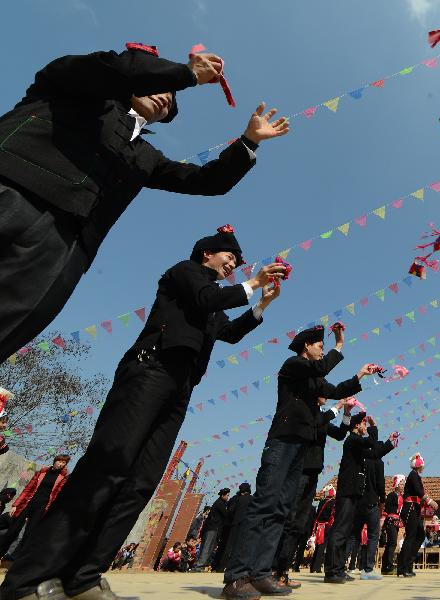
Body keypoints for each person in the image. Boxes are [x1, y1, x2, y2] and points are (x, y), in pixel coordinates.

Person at [0, 226, 283, 600]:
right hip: (150, 371)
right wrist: (249, 285)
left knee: (141, 482)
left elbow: (227, 332)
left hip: (180, 386)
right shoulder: (185, 273)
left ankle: (83, 575)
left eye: (236, 261)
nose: (233, 263)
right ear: (206, 254)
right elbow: (205, 299)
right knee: (108, 467)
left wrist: (262, 303)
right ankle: (29, 578)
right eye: (227, 256)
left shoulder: (213, 299)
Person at [0, 43, 290, 364]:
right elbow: (118, 71)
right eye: (162, 86)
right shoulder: (76, 90)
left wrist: (249, 141)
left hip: (63, 248)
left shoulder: (146, 157)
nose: (166, 96)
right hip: (10, 186)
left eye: (172, 97)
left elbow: (208, 181)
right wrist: (186, 74)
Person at [223, 323, 379, 598]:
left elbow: (335, 389)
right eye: (320, 346)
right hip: (282, 441)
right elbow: (320, 371)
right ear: (306, 346)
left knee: (282, 508)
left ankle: (261, 574)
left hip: (300, 448)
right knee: (265, 503)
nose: (322, 350)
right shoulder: (293, 364)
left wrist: (360, 375)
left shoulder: (313, 378)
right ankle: (237, 576)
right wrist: (339, 345)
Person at [272, 398, 351, 586]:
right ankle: (270, 568)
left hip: (313, 471)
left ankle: (281, 571)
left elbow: (339, 434)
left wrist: (347, 413)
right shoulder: (307, 411)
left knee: (298, 524)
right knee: (287, 519)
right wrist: (338, 406)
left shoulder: (322, 416)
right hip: (298, 470)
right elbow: (317, 422)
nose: (326, 393)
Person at [324, 413, 397, 583]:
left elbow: (373, 453)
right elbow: (370, 443)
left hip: (353, 493)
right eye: (363, 424)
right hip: (347, 492)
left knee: (345, 531)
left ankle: (339, 569)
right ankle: (332, 570)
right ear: (357, 426)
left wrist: (389, 443)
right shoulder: (352, 440)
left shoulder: (357, 443)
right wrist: (374, 427)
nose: (365, 426)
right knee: (340, 530)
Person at [0, 456, 70, 560]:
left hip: (41, 508)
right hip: (27, 504)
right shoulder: (41, 472)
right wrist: (15, 505)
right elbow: (27, 489)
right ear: (55, 461)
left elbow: (57, 496)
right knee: (12, 531)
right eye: (60, 461)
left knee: (28, 535)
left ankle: (14, 559)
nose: (61, 464)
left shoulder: (63, 478)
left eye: (64, 462)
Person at [353, 416, 394, 581]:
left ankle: (348, 566)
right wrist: (382, 500)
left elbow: (377, 446)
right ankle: (368, 569)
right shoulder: (376, 461)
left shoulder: (356, 452)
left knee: (353, 535)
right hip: (370, 501)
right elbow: (380, 483)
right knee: (372, 535)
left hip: (356, 501)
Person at [396, 454, 438, 577]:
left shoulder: (416, 476)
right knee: (410, 537)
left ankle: (408, 563)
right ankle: (402, 567)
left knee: (420, 536)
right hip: (410, 508)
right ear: (419, 465)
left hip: (416, 508)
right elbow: (420, 493)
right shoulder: (413, 475)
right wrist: (430, 502)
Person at [218, 483, 252, 572]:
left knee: (230, 546)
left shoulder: (237, 499)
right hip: (246, 525)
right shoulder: (252, 499)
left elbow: (230, 511)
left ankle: (222, 567)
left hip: (235, 524)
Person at [195, 488, 231, 571]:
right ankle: (199, 566)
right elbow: (226, 514)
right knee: (207, 547)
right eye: (227, 495)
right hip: (212, 528)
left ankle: (201, 565)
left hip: (213, 529)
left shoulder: (221, 503)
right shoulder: (219, 504)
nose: (228, 497)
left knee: (209, 547)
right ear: (223, 495)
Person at [381, 475, 405, 575]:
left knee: (391, 543)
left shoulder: (401, 496)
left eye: (403, 484)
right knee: (392, 543)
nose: (403, 485)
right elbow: (388, 511)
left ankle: (385, 567)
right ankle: (389, 566)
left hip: (396, 522)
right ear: (396, 484)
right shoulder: (391, 495)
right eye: (401, 483)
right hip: (391, 521)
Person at [310, 486, 337, 574]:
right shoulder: (333, 503)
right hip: (326, 526)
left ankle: (312, 566)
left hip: (319, 526)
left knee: (318, 546)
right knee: (323, 546)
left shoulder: (321, 502)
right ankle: (317, 567)